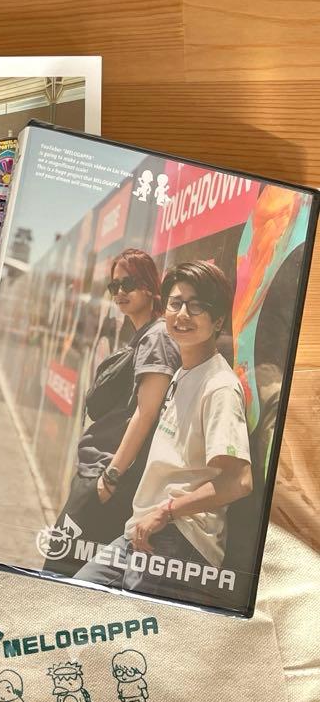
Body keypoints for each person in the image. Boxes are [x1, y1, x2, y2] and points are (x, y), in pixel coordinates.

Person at [75, 260, 253, 608]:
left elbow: (238, 481)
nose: (183, 314)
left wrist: (167, 512)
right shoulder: (184, 372)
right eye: (176, 303)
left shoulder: (219, 386)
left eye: (197, 305)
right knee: (76, 597)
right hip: (145, 529)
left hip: (179, 540)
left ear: (218, 321)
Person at [44, 248, 180, 577]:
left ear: (150, 285)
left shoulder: (158, 336)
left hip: (108, 475)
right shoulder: (143, 335)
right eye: (114, 286)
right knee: (64, 568)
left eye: (128, 283)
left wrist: (110, 478)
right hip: (99, 471)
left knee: (59, 569)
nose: (120, 292)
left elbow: (146, 414)